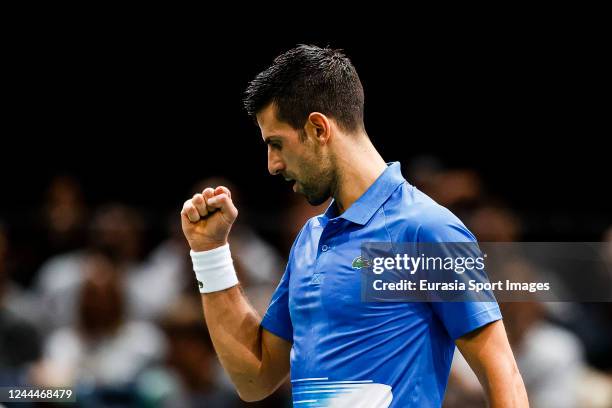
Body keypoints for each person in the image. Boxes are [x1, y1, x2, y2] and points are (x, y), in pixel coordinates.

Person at [180, 45, 528, 407]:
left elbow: (504, 376)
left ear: (318, 128)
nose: (272, 165)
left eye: (277, 144)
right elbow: (255, 377)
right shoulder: (309, 240)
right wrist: (210, 253)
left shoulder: (426, 229)